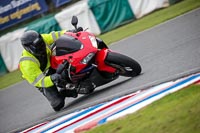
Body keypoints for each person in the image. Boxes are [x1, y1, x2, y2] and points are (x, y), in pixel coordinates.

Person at [19, 30, 77, 111]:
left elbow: (55, 35)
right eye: (37, 46)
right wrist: (53, 78)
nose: (41, 46)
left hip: (51, 65)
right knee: (57, 104)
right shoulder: (27, 63)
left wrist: (69, 32)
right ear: (28, 48)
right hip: (41, 78)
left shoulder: (42, 38)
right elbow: (40, 81)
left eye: (41, 43)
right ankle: (64, 91)